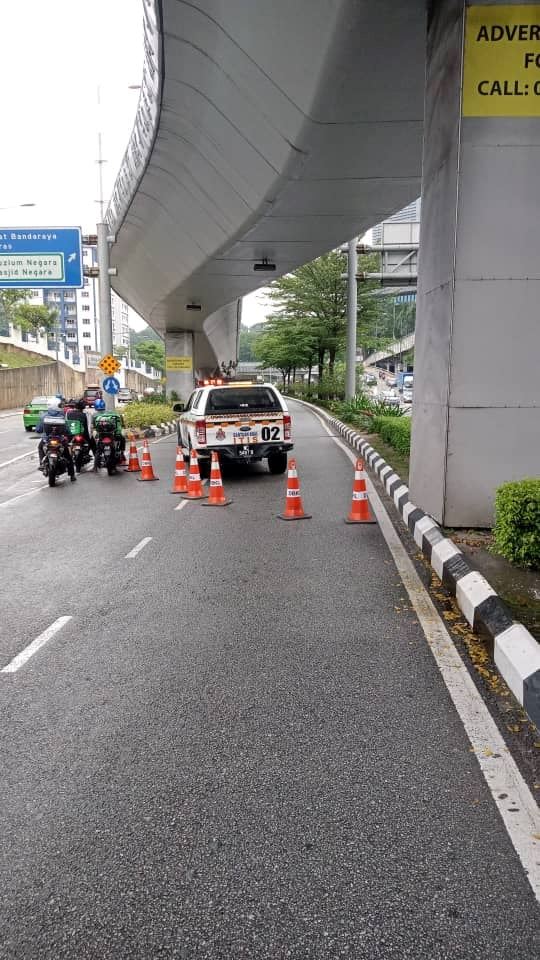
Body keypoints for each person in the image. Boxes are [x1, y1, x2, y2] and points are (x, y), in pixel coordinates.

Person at [35, 401, 76, 481]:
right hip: (60, 440)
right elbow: (67, 430)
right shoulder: (62, 415)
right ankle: (72, 475)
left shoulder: (43, 416)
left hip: (47, 439)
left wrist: (40, 431)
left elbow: (38, 429)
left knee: (40, 448)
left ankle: (41, 464)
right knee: (68, 456)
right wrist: (70, 434)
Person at [92, 398, 126, 466]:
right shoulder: (112, 413)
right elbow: (120, 424)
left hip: (102, 435)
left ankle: (96, 465)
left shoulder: (94, 415)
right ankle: (122, 453)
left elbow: (93, 427)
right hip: (112, 435)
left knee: (97, 448)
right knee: (122, 439)